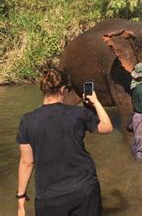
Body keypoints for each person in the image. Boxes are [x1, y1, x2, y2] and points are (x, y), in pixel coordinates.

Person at [16, 67, 113, 216]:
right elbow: (107, 127)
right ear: (62, 90)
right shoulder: (79, 113)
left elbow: (27, 162)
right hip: (84, 189)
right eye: (67, 90)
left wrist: (21, 196)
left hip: (49, 196)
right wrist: (95, 102)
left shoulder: (27, 121)